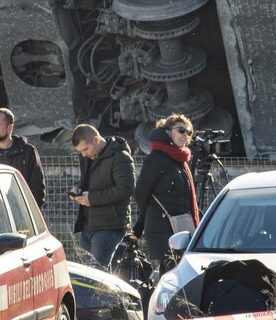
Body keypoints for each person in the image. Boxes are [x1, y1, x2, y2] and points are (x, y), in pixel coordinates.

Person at [132, 114, 199, 271]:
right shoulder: (156, 159)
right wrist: (145, 219)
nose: (185, 135)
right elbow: (141, 193)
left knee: (178, 272)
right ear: (168, 132)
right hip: (163, 228)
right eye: (181, 130)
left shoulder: (180, 159)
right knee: (171, 272)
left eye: (189, 132)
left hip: (179, 227)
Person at [69, 124, 136, 268]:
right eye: (80, 151)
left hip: (109, 226)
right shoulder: (88, 157)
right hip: (88, 225)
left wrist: (91, 198)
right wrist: (79, 189)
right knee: (88, 273)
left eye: (85, 149)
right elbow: (90, 183)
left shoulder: (120, 156)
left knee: (97, 273)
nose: (83, 154)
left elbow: (126, 189)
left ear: (95, 139)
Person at [0, 108, 46, 207]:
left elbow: (37, 188)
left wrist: (26, 212)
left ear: (10, 127)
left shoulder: (28, 152)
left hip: (21, 213)